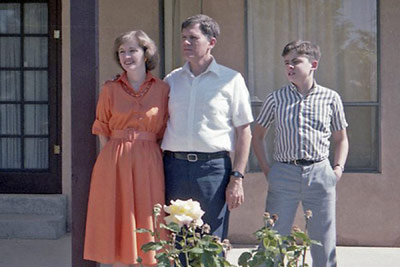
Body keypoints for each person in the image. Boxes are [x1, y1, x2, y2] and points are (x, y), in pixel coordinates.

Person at [252, 40, 349, 267]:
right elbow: (257, 136)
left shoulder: (331, 98)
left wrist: (337, 170)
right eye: (287, 63)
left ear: (313, 64)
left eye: (296, 61)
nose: (290, 67)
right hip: (284, 173)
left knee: (323, 243)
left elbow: (341, 138)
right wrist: (268, 170)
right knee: (273, 239)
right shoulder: (275, 98)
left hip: (320, 173)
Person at [161, 14, 253, 240]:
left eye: (193, 38)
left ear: (211, 42)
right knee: (178, 240)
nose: (186, 43)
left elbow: (244, 132)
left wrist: (237, 178)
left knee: (211, 239)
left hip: (213, 170)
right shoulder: (172, 80)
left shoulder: (231, 80)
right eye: (183, 38)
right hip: (174, 168)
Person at [84, 30, 169, 267]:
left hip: (149, 160)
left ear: (146, 52)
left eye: (132, 50)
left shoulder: (163, 89)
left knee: (148, 216)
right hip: (114, 160)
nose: (127, 56)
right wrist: (112, 157)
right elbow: (101, 127)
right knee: (117, 218)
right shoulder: (109, 89)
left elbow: (164, 130)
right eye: (122, 52)